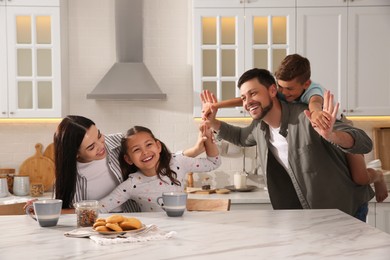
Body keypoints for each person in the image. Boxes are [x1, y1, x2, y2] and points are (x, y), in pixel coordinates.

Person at [202, 54, 388, 203]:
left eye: (253, 93)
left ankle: (378, 176)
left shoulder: (307, 113)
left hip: (346, 212)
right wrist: (213, 119)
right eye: (244, 97)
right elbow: (241, 136)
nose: (247, 101)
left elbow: (364, 142)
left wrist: (330, 133)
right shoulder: (260, 125)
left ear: (271, 91)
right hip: (312, 220)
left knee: (361, 178)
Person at [53, 115, 207, 213]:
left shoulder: (120, 143)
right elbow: (68, 210)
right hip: (95, 227)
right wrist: (45, 208)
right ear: (75, 153)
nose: (101, 146)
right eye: (91, 147)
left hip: (133, 222)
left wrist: (195, 150)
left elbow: (159, 157)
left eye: (99, 136)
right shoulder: (68, 175)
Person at [98, 125, 221, 212]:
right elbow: (102, 207)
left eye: (149, 145)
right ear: (128, 159)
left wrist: (208, 138)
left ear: (158, 146)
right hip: (152, 236)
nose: (145, 152)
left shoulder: (178, 162)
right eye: (136, 150)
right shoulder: (131, 185)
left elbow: (213, 163)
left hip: (183, 230)